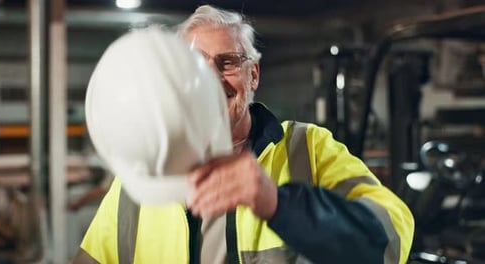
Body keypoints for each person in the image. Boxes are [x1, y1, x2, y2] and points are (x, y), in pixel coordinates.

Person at [73, 5, 414, 264]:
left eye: (228, 63)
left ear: (253, 75)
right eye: (195, 65)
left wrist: (279, 204)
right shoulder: (141, 178)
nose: (210, 81)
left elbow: (390, 240)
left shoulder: (308, 150)